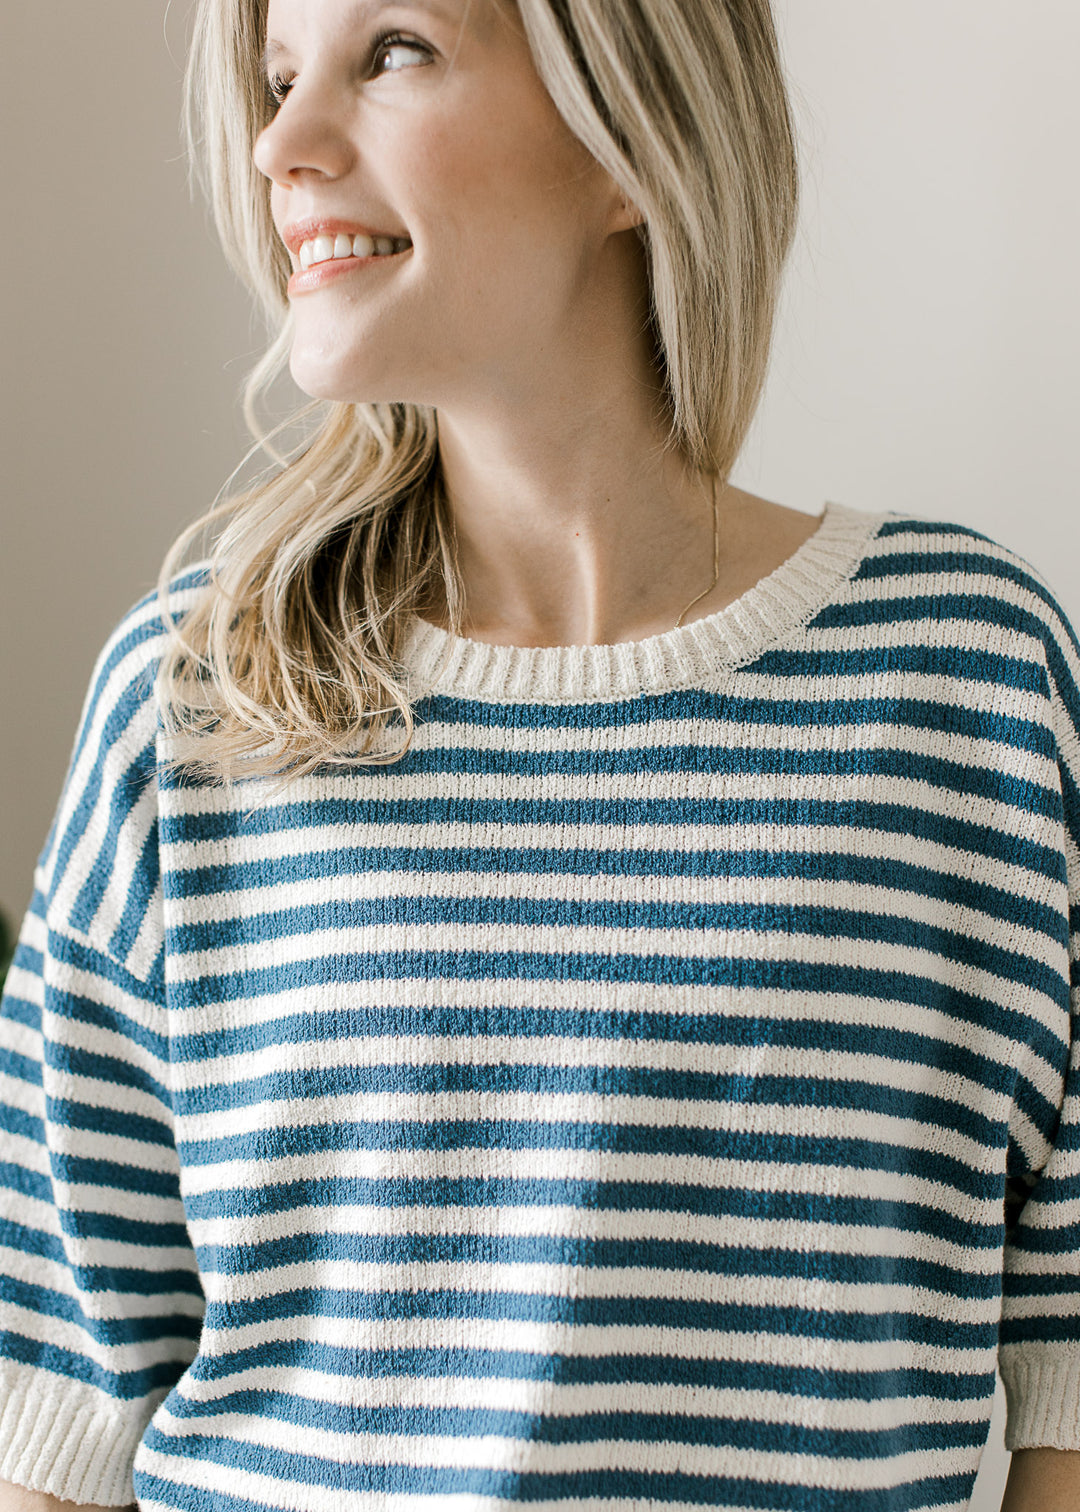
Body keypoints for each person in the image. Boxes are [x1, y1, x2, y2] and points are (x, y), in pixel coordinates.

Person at [0, 0, 1077, 1507]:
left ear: (628, 131)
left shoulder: (964, 673)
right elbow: (57, 1405)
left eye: (392, 53)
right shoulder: (195, 698)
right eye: (278, 77)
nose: (283, 146)